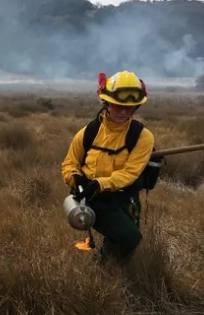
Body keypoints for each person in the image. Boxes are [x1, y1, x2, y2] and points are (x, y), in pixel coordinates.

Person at [61, 71, 155, 265]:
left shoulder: (143, 137)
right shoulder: (88, 132)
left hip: (126, 198)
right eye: (117, 105)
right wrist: (76, 179)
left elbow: (130, 173)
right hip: (93, 199)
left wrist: (99, 183)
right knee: (129, 237)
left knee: (126, 245)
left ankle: (111, 274)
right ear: (105, 102)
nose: (123, 112)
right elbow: (70, 163)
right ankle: (104, 269)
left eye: (129, 107)